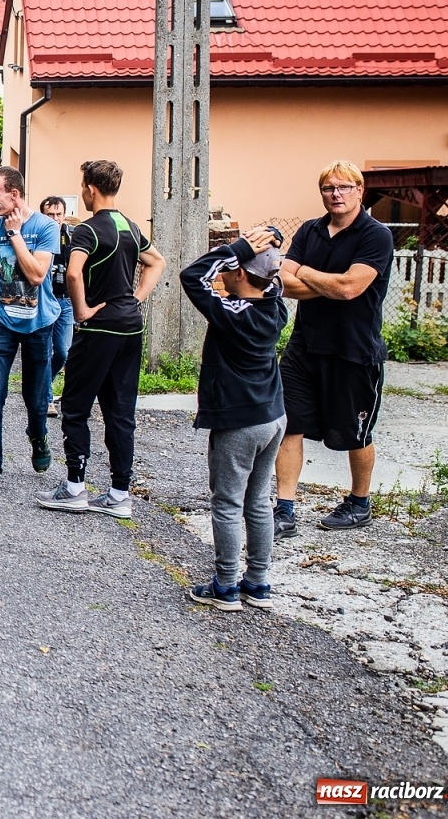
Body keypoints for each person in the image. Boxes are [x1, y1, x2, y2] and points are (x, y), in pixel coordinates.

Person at [35, 161, 165, 519]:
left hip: (99, 328)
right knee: (120, 412)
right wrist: (137, 297)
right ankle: (119, 493)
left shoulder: (87, 231)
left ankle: (75, 487)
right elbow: (157, 262)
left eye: (82, 186)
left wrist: (81, 312)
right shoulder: (130, 226)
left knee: (75, 406)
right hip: (131, 326)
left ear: (91, 188)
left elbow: (74, 272)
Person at [275, 161, 395, 535]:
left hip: (354, 350)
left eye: (344, 187)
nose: (336, 194)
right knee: (288, 426)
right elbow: (281, 280)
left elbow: (350, 289)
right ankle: (285, 509)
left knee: (354, 433)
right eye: (329, 188)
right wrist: (325, 282)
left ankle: (359, 503)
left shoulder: (375, 235)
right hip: (304, 347)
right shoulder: (311, 230)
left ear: (360, 190)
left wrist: (305, 272)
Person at [181, 227, 289, 611]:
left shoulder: (232, 313)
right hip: (273, 418)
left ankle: (226, 585)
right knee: (258, 501)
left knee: (227, 502)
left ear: (240, 273)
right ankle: (258, 582)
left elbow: (192, 276)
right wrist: (269, 246)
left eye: (232, 266)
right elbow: (271, 282)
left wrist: (239, 247)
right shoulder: (276, 309)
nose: (225, 270)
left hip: (239, 422)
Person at [0, 167, 61, 492]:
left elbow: (36, 276)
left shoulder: (45, 227)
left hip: (39, 325)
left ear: (14, 194)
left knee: (35, 399)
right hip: (2, 322)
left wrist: (16, 236)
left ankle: (38, 434)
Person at [39, 196, 74, 416]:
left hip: (66, 300)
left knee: (62, 351)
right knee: (44, 350)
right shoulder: (37, 235)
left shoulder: (72, 236)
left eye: (58, 214)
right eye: (49, 214)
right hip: (43, 299)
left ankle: (42, 385)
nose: (54, 219)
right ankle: (47, 398)